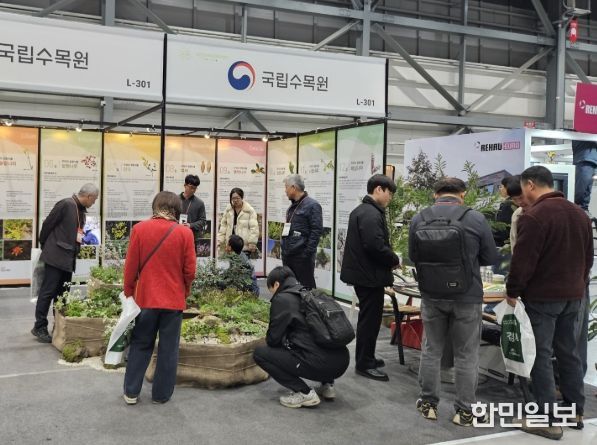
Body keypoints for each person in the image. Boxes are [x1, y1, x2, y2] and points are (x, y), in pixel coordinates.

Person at [506, 166, 592, 440]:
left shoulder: (534, 216)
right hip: (574, 296)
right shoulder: (580, 214)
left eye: (523, 188)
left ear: (530, 185)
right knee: (568, 352)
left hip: (543, 297)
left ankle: (547, 419)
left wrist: (512, 291)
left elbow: (523, 261)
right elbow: (588, 258)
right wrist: (577, 284)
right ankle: (575, 411)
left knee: (540, 355)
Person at [409, 177, 497, 426]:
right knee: (466, 354)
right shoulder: (475, 218)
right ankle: (464, 411)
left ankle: (428, 404)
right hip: (467, 295)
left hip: (431, 294)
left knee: (431, 350)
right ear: (463, 194)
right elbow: (490, 256)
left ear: (435, 194)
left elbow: (413, 256)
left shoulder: (419, 218)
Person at [122, 191, 196, 405]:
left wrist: (129, 293)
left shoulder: (139, 229)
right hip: (173, 300)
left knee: (140, 344)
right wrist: (185, 290)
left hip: (146, 299)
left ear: (155, 206)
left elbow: (131, 267)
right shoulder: (185, 233)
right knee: (168, 349)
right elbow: (190, 271)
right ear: (176, 209)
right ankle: (161, 395)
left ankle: (131, 392)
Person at [253, 266, 349, 408]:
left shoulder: (282, 299)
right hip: (342, 361)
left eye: (271, 290)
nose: (272, 295)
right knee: (313, 340)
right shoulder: (312, 293)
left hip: (320, 364)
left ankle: (304, 393)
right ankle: (327, 385)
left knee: (260, 354)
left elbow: (273, 340)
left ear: (277, 284)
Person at [340, 174, 399, 382]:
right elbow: (375, 246)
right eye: (389, 193)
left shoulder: (363, 210)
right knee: (369, 321)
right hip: (368, 276)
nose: (390, 197)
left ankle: (368, 357)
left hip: (366, 275)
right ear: (379, 189)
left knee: (370, 320)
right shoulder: (370, 213)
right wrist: (394, 259)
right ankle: (364, 363)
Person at [32, 183, 99, 343]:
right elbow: (47, 225)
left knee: (62, 294)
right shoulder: (66, 204)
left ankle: (59, 325)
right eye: (94, 199)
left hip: (67, 259)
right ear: (88, 196)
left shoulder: (80, 210)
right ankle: (39, 326)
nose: (94, 202)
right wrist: (46, 246)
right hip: (56, 257)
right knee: (47, 292)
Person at [281, 175, 323, 289]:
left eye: (286, 187)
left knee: (306, 289)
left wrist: (307, 253)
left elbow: (316, 231)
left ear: (293, 188)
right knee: (290, 287)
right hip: (288, 256)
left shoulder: (313, 205)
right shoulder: (292, 207)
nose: (285, 191)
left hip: (302, 257)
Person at [217, 187, 259, 258]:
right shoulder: (228, 210)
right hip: (231, 246)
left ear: (242, 198)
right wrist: (219, 240)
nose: (235, 200)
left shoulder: (249, 210)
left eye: (237, 198)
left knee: (243, 264)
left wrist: (252, 242)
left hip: (243, 246)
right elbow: (223, 226)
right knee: (231, 264)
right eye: (233, 198)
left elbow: (254, 228)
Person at [179, 174, 206, 255]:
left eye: (195, 188)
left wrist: (190, 225)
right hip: (176, 237)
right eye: (191, 187)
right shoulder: (175, 200)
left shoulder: (199, 203)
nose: (193, 190)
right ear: (185, 185)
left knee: (190, 260)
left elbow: (203, 221)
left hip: (192, 238)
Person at [572, 140, 597, 213]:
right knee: (582, 189)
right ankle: (580, 210)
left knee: (587, 189)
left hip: (590, 160)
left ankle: (583, 209)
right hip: (585, 159)